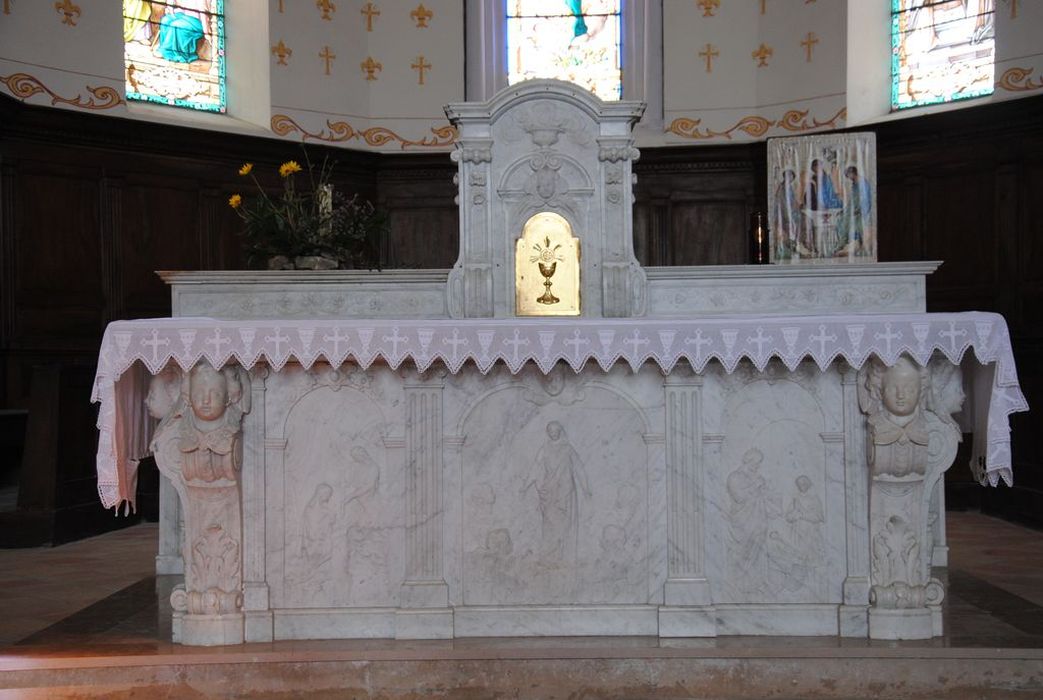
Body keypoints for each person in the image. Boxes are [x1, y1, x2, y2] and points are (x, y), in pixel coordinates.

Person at [532, 421, 591, 561]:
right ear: (547, 432)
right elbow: (535, 468)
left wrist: (586, 489)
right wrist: (525, 486)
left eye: (556, 430)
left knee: (566, 524)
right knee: (550, 524)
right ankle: (549, 556)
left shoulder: (567, 449)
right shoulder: (544, 449)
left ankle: (564, 557)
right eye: (550, 431)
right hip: (549, 492)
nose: (553, 433)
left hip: (566, 491)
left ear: (560, 431)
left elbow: (579, 468)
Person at [835, 165, 872, 257]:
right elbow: (852, 200)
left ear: (853, 173)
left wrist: (858, 210)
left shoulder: (862, 183)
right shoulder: (854, 184)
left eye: (849, 175)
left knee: (848, 223)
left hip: (860, 210)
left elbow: (866, 200)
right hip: (853, 209)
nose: (849, 178)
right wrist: (844, 210)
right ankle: (843, 244)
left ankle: (844, 244)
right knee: (840, 220)